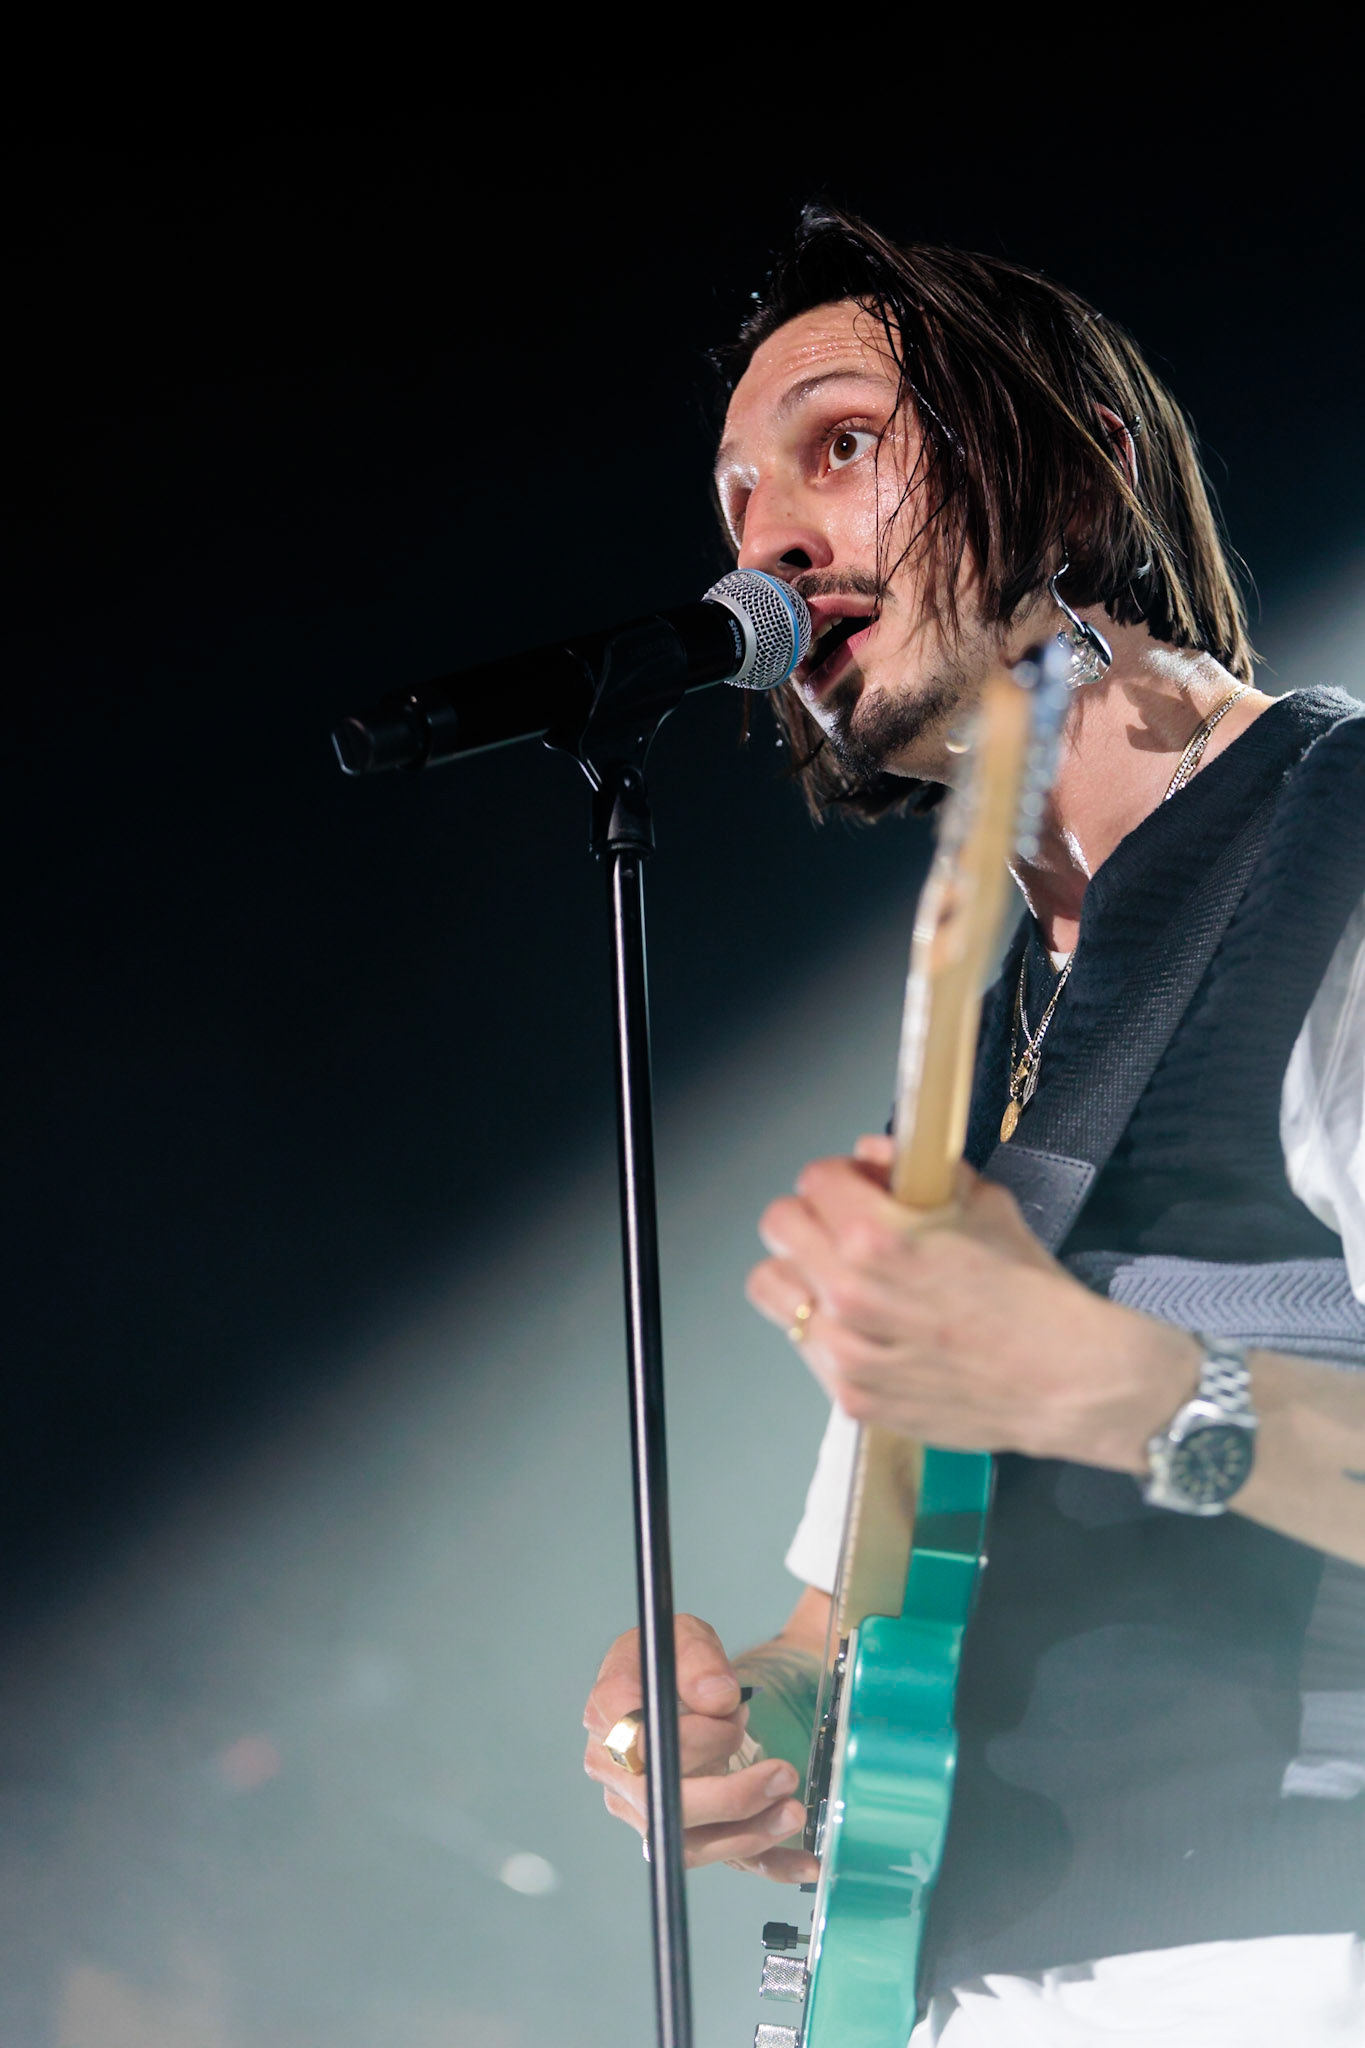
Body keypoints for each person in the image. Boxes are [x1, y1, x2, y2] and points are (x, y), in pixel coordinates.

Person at [583, 207, 1365, 2044]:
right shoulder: (987, 1016)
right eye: (735, 504)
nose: (766, 541)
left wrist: (1134, 1393)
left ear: (1076, 471)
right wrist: (737, 1739)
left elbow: (1112, 1394)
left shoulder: (1337, 854)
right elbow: (850, 1633)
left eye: (842, 448)